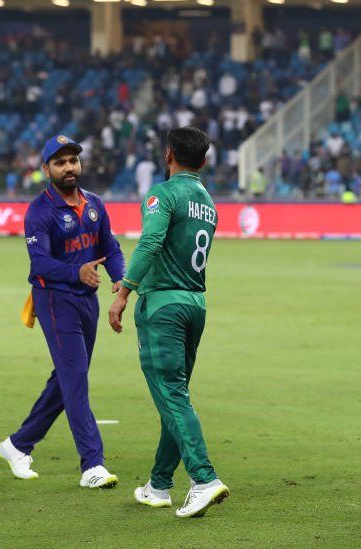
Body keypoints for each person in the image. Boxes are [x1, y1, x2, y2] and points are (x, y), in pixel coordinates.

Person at [108, 127, 229, 518]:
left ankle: (204, 478)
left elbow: (150, 241)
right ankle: (159, 485)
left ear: (168, 155)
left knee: (172, 396)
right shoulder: (208, 202)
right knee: (174, 397)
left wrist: (125, 289)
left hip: (163, 306)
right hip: (196, 304)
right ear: (205, 161)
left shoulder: (164, 194)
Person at [0, 134, 125, 489]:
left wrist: (120, 279)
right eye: (60, 162)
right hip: (54, 298)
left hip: (87, 298)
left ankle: (17, 444)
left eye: (73, 160)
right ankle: (92, 464)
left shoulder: (94, 203)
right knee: (76, 379)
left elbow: (110, 247)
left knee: (68, 376)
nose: (69, 167)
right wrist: (76, 272)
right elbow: (39, 263)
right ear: (46, 169)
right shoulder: (40, 211)